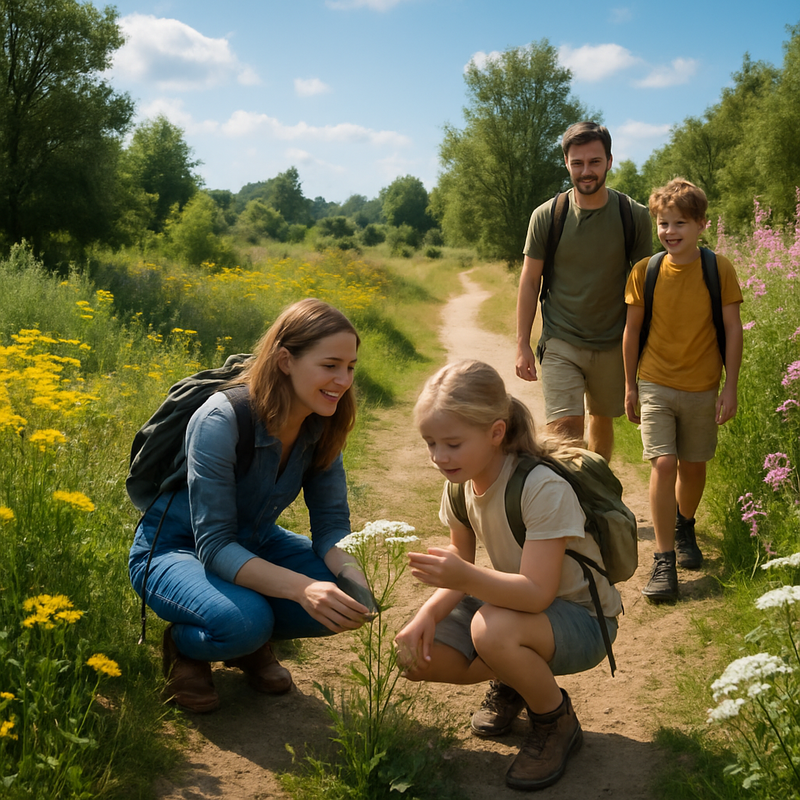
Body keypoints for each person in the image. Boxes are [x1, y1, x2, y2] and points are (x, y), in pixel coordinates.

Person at [129, 298, 374, 712]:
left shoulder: (322, 421)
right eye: (330, 365)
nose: (343, 380)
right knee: (246, 620)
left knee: (344, 602)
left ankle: (249, 643)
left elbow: (331, 524)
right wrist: (304, 589)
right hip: (176, 548)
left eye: (350, 367)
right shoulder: (220, 419)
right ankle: (188, 647)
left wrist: (358, 584)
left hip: (256, 542)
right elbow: (214, 545)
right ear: (285, 360)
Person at [395, 360, 622, 791]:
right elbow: (461, 572)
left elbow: (537, 594)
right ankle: (516, 679)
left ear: (496, 432)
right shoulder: (458, 484)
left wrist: (463, 574)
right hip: (516, 606)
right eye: (430, 443)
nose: (440, 457)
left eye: (453, 444)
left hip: (582, 620)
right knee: (415, 658)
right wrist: (425, 616)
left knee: (491, 629)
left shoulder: (540, 486)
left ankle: (555, 722)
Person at [622, 179, 743, 603]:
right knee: (664, 463)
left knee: (693, 466)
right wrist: (630, 386)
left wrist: (730, 387)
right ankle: (663, 560)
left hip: (703, 386)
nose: (670, 231)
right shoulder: (646, 271)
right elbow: (632, 331)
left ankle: (684, 524)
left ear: (701, 225)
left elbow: (731, 329)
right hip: (655, 382)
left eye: (679, 223)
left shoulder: (718, 269)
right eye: (663, 223)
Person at [516, 121, 652, 462]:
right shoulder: (548, 216)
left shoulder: (633, 216)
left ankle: (594, 495)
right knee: (565, 428)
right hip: (561, 338)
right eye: (577, 163)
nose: (586, 171)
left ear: (609, 161)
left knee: (601, 422)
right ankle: (564, 506)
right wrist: (522, 344)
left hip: (613, 341)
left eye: (594, 161)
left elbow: (647, 286)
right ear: (566, 163)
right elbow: (530, 280)